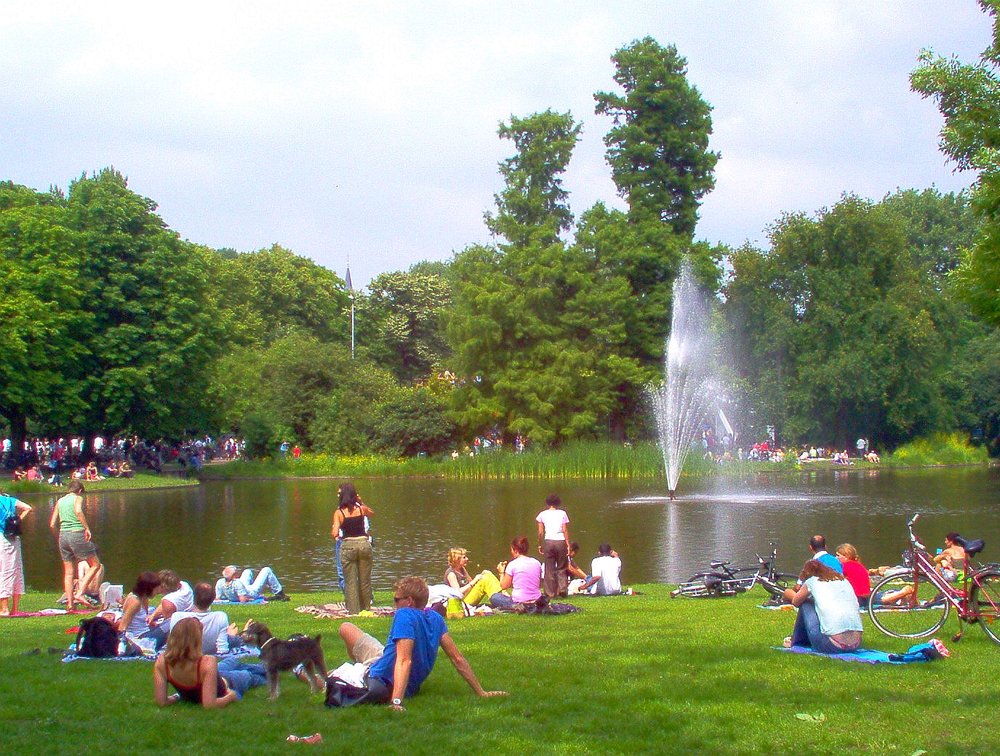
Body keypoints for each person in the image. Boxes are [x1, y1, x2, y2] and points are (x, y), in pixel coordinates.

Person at [335, 576, 507, 710]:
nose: (394, 604)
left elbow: (404, 660)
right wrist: (481, 692)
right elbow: (457, 658)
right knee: (357, 639)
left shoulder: (404, 615)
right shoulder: (436, 618)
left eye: (396, 600)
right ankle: (359, 664)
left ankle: (358, 667)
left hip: (379, 672)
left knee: (345, 627)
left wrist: (396, 702)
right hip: (402, 679)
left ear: (409, 601)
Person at [154, 617, 266, 708]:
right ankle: (269, 671)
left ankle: (264, 667)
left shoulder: (162, 661)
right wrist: (231, 696)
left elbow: (161, 702)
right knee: (248, 675)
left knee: (231, 661)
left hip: (210, 679)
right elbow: (210, 705)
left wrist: (177, 696)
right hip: (228, 683)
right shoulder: (207, 662)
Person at [781, 560, 863, 653]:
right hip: (855, 644)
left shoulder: (812, 581)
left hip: (832, 646)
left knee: (805, 603)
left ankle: (796, 641)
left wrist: (787, 592)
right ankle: (799, 639)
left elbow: (796, 601)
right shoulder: (843, 580)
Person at [48, 480, 102, 612]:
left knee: (68, 572)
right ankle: (80, 592)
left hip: (63, 536)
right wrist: (87, 528)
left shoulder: (60, 501)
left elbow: (52, 524)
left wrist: (58, 537)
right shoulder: (77, 498)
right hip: (76, 533)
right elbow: (78, 511)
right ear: (79, 491)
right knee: (96, 564)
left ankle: (70, 605)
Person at [331, 482, 374, 614]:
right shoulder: (361, 509)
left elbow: (335, 533)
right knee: (365, 580)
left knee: (350, 582)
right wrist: (361, 502)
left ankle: (354, 611)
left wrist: (335, 531)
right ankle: (366, 608)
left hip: (348, 545)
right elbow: (371, 513)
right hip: (364, 544)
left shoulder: (339, 513)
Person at [169, 582, 239, 655]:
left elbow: (172, 646)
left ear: (194, 597)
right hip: (206, 656)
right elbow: (222, 650)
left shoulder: (177, 617)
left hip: (183, 657)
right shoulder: (220, 616)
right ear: (212, 599)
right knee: (234, 640)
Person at [0, 490, 33, 616]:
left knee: (4, 571)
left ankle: (4, 608)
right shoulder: (9, 500)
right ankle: (15, 608)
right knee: (16, 570)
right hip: (14, 536)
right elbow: (28, 508)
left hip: (2, 537)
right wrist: (18, 520)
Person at [492, 536, 543, 610]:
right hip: (536, 601)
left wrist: (501, 572)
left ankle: (518, 607)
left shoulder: (513, 564)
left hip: (519, 601)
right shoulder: (537, 562)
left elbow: (504, 586)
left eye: (512, 550)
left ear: (515, 550)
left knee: (495, 597)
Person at [536, 494, 571, 598]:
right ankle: (563, 589)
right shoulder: (562, 513)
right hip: (561, 541)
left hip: (548, 541)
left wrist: (539, 544)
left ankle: (550, 593)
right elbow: (565, 530)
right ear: (558, 503)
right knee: (562, 567)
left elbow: (540, 532)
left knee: (549, 568)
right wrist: (568, 544)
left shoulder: (542, 514)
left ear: (547, 503)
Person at [118, 571, 161, 637]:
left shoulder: (144, 598)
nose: (158, 592)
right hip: (138, 636)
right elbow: (123, 625)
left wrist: (150, 623)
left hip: (146, 631)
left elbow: (144, 618)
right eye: (156, 589)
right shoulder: (135, 602)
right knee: (169, 624)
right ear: (148, 589)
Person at [215, 565, 290, 602]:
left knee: (247, 571)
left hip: (243, 589)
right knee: (266, 570)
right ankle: (280, 594)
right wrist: (251, 599)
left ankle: (251, 584)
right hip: (252, 592)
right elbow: (243, 600)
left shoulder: (220, 582)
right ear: (234, 575)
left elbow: (218, 598)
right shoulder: (237, 583)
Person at [835, 543, 871, 608]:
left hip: (857, 599)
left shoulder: (845, 566)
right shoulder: (859, 565)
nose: (836, 557)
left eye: (838, 555)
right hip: (866, 597)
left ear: (846, 556)